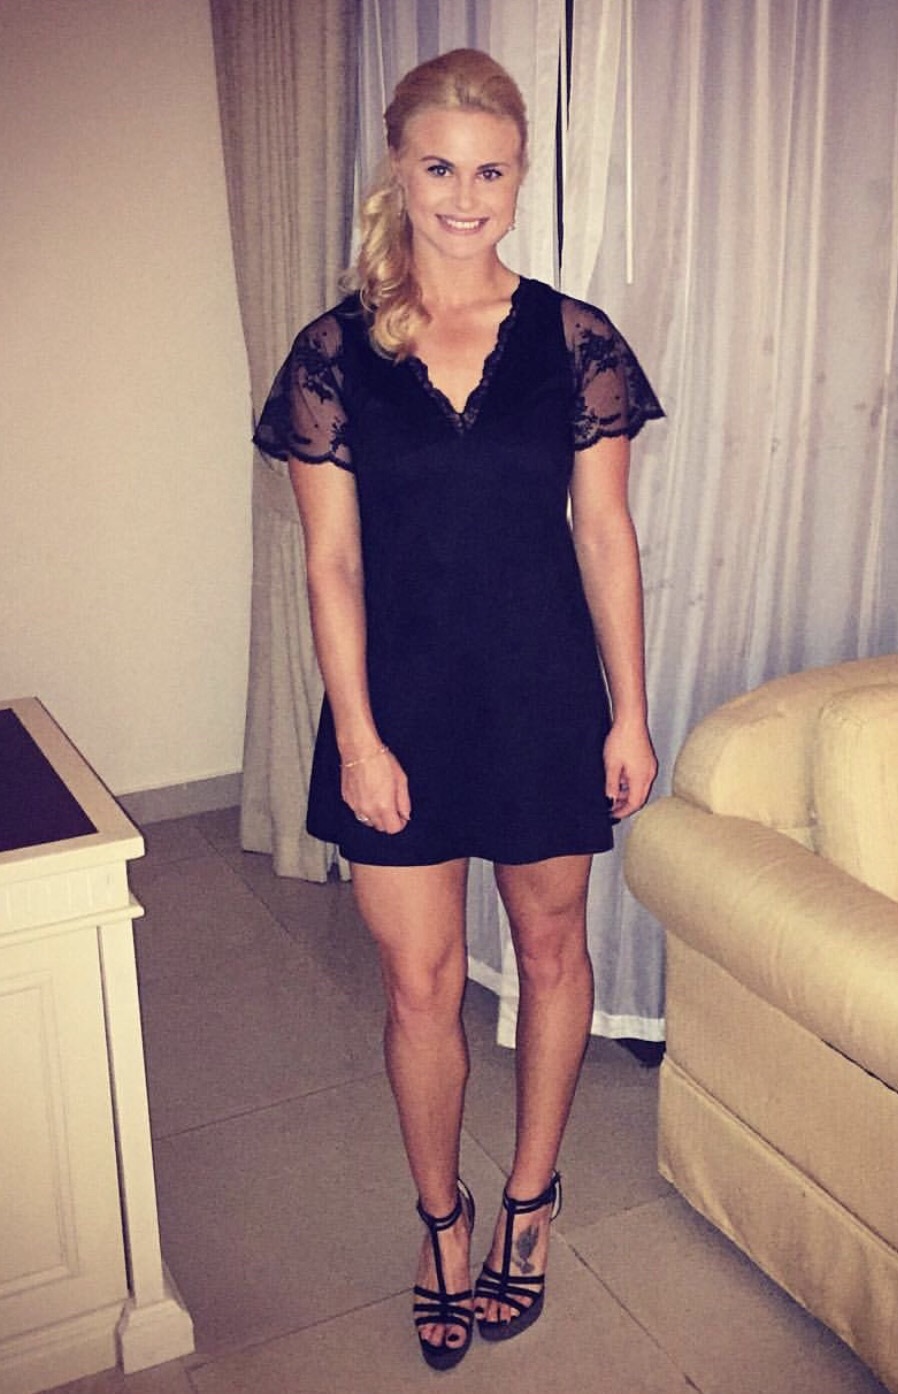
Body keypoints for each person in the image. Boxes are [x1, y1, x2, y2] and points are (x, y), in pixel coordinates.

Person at [254, 47, 663, 1372]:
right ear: (399, 167)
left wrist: (629, 713)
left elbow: (604, 537)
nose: (465, 196)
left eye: (491, 171)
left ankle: (529, 1203)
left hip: (544, 696)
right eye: (440, 167)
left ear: (518, 177)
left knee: (551, 953)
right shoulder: (333, 354)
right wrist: (358, 733)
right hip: (402, 708)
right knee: (419, 982)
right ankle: (443, 1220)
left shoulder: (575, 340)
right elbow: (331, 563)